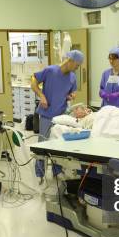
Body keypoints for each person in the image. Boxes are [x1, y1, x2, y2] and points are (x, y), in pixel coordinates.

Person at [31, 50, 84, 181]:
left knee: (58, 146)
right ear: (70, 61)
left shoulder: (72, 77)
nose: (77, 69)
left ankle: (57, 171)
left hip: (61, 116)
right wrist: (41, 96)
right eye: (77, 65)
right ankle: (40, 174)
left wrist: (72, 95)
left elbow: (73, 91)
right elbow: (33, 81)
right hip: (47, 114)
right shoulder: (51, 71)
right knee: (43, 145)